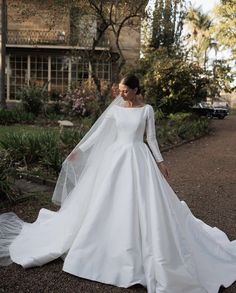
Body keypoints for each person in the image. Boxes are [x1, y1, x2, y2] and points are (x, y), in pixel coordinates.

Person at [0, 74, 236, 293]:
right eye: (120, 90)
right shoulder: (115, 110)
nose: (121, 94)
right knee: (106, 200)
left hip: (138, 158)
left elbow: (150, 138)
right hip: (115, 160)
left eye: (125, 90)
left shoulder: (147, 110)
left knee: (144, 203)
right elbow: (98, 132)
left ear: (135, 90)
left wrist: (161, 162)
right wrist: (79, 151)